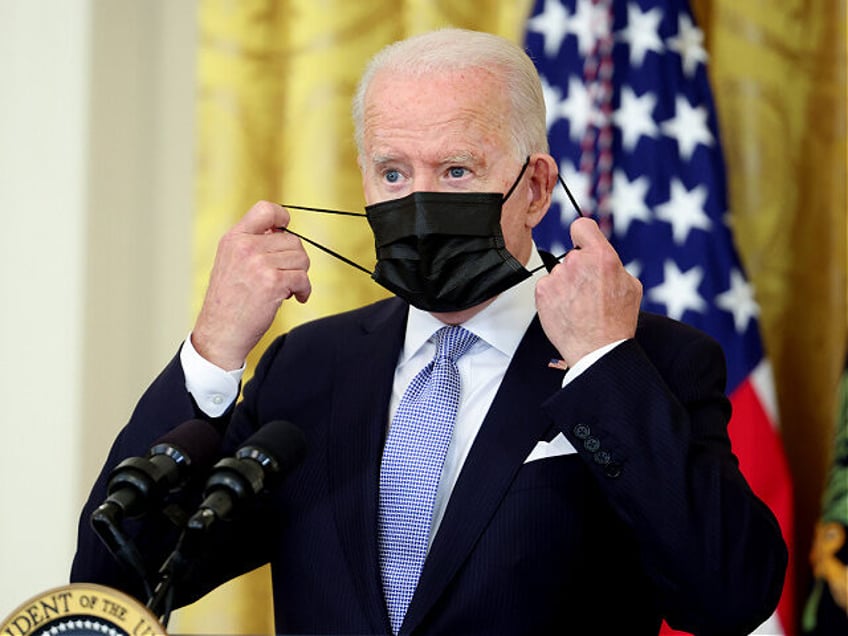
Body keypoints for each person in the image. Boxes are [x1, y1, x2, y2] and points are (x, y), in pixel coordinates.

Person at [72, 28, 787, 635]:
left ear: (536, 188)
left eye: (455, 170)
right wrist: (213, 350)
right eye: (392, 172)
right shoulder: (306, 367)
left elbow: (727, 597)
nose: (418, 204)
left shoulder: (654, 362)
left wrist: (602, 363)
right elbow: (114, 589)